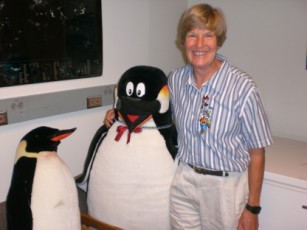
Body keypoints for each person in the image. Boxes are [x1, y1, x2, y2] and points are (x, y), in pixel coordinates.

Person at [104, 3, 273, 230]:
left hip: (224, 187)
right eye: (192, 35)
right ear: (183, 41)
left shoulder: (242, 87)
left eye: (208, 35)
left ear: (219, 40)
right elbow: (153, 107)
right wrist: (118, 113)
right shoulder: (176, 80)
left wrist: (253, 207)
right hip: (184, 179)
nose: (199, 44)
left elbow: (257, 152)